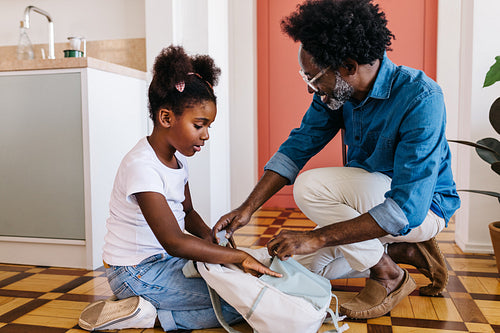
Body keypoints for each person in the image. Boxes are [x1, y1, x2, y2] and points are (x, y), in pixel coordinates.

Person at [213, 0, 460, 319]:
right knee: (302, 268)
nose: (311, 89)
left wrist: (316, 237)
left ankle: (388, 274)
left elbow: (406, 208)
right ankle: (403, 250)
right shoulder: (337, 94)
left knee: (311, 187)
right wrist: (247, 209)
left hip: (423, 209)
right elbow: (297, 147)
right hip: (368, 205)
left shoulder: (422, 97)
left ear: (348, 66)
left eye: (314, 78)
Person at [78, 45, 281, 332]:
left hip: (166, 263)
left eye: (208, 126)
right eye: (199, 125)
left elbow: (187, 212)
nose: (206, 135)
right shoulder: (141, 166)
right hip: (134, 272)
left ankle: (151, 309)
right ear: (165, 118)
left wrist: (214, 241)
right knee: (242, 300)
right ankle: (148, 314)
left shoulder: (176, 161)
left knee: (243, 287)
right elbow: (174, 241)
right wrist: (239, 257)